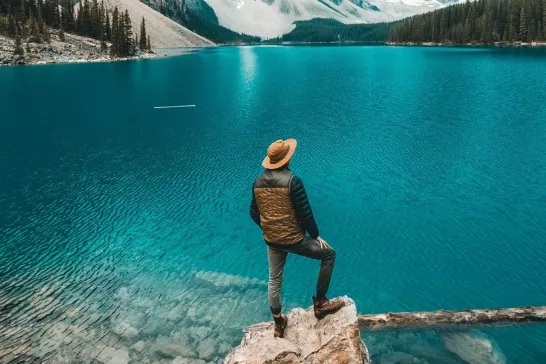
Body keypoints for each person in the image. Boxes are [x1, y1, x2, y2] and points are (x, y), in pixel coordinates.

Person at [250, 139, 345, 338]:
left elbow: (253, 212)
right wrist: (315, 235)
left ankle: (278, 323)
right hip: (294, 240)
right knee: (329, 255)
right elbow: (305, 213)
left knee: (274, 279)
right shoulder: (293, 181)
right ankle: (320, 303)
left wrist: (269, 227)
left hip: (272, 240)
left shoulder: (257, 182)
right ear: (286, 158)